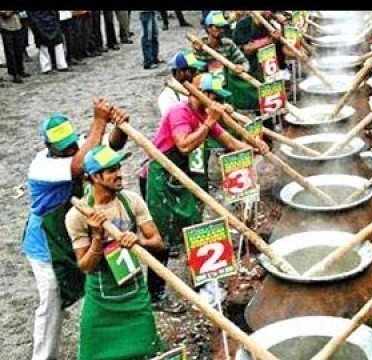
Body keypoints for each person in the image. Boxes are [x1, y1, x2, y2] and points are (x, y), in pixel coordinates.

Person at [144, 72, 268, 312]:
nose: (218, 102)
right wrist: (209, 123)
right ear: (205, 95)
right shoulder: (180, 112)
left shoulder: (203, 115)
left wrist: (255, 148)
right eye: (214, 96)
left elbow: (230, 143)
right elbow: (184, 144)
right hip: (164, 178)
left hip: (187, 176)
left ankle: (202, 281)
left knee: (195, 226)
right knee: (163, 239)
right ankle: (156, 293)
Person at [23, 99, 127, 360]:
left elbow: (109, 149)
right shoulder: (40, 166)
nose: (70, 148)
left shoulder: (81, 144)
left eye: (71, 143)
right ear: (48, 147)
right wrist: (100, 121)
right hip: (46, 241)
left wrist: (119, 127)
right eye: (63, 147)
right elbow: (79, 166)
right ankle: (42, 357)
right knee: (51, 299)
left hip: (74, 231)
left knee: (93, 282)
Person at [65, 145, 165, 360]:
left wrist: (138, 241)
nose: (120, 174)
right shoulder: (78, 215)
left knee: (147, 350)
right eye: (112, 170)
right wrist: (98, 237)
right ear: (95, 176)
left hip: (135, 295)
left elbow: (157, 242)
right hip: (101, 298)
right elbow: (85, 266)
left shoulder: (131, 201)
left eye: (119, 167)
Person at [194, 11, 252, 112]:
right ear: (208, 28)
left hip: (226, 87)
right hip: (207, 90)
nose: (221, 30)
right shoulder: (200, 46)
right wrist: (199, 52)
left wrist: (242, 67)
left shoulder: (228, 44)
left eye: (222, 27)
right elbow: (195, 72)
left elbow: (244, 62)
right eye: (217, 27)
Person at [158, 49, 206, 117]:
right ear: (179, 72)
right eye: (192, 71)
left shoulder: (198, 87)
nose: (196, 74)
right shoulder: (167, 97)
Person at [0, 11, 29, 83]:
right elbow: (6, 14)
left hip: (17, 26)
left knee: (19, 50)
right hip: (6, 28)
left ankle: (21, 70)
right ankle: (15, 74)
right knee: (10, 52)